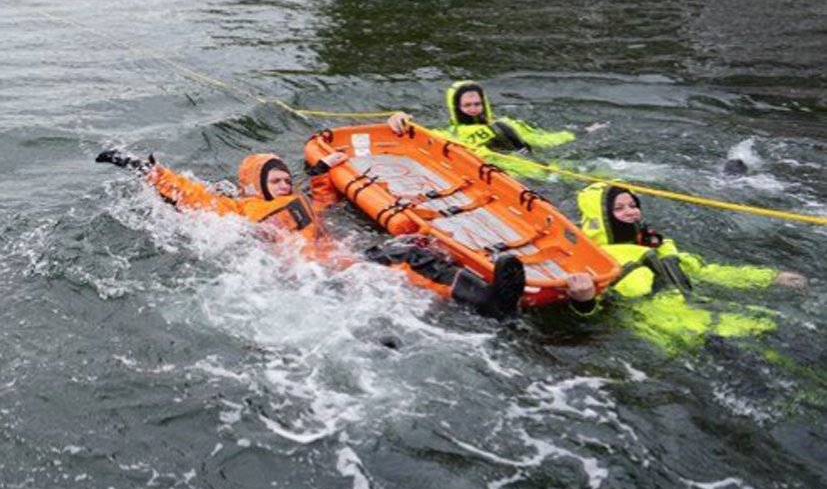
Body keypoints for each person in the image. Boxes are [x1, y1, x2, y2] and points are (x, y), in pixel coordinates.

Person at [95, 147, 537, 320]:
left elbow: (321, 200)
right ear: (256, 184)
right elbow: (192, 198)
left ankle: (491, 299)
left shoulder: (300, 201)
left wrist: (321, 171)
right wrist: (147, 170)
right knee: (404, 262)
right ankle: (491, 304)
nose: (284, 182)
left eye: (287, 177)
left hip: (340, 262)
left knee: (415, 251)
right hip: (313, 275)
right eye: (275, 178)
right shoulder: (242, 208)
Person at [576, 182, 807, 351]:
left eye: (632, 204)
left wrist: (770, 277)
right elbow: (593, 314)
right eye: (619, 208)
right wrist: (584, 301)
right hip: (676, 337)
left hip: (708, 314)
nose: (630, 211)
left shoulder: (659, 245)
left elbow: (707, 271)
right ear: (601, 218)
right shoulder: (596, 260)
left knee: (784, 334)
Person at [387, 80, 592, 180]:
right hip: (509, 177)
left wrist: (580, 131)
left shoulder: (506, 124)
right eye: (467, 106)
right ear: (456, 108)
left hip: (544, 168)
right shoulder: (450, 135)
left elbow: (544, 139)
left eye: (477, 104)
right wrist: (400, 117)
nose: (474, 109)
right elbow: (417, 132)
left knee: (600, 172)